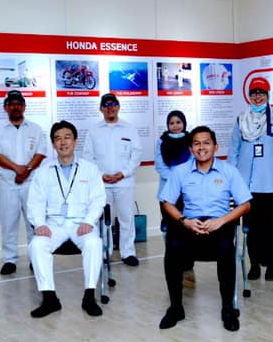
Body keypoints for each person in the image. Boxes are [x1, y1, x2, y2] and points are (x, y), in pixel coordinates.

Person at [159, 126, 252, 332]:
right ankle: (176, 308)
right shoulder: (180, 171)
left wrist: (221, 221)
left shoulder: (229, 171)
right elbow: (167, 202)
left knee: (226, 249)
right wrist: (184, 221)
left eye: (206, 143)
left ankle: (228, 309)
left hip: (219, 225)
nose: (202, 148)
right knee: (172, 249)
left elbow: (245, 204)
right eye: (197, 144)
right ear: (191, 149)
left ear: (215, 147)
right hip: (190, 224)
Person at [26, 121, 107, 318]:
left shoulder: (90, 169)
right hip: (54, 225)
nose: (63, 142)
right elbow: (35, 202)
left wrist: (89, 221)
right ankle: (49, 299)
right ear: (53, 144)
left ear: (75, 141)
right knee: (37, 245)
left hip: (82, 224)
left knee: (94, 244)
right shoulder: (43, 171)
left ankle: (89, 297)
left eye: (67, 137)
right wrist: (40, 224)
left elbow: (98, 200)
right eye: (58, 139)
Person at [228, 76, 273, 281]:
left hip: (270, 184)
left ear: (267, 95)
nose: (257, 97)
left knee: (270, 229)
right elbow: (233, 150)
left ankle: (271, 265)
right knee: (251, 228)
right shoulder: (241, 120)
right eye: (254, 93)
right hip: (246, 185)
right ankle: (254, 264)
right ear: (249, 95)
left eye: (261, 93)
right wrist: (231, 180)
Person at [0, 90, 47, 275]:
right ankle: (10, 259)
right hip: (8, 183)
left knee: (33, 221)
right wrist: (17, 169)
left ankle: (34, 258)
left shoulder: (35, 129)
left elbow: (40, 154)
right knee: (8, 223)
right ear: (5, 107)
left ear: (24, 106)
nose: (15, 107)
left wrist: (26, 171)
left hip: (30, 183)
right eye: (12, 104)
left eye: (19, 103)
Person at [82, 93, 142, 266]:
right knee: (103, 220)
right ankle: (105, 252)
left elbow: (136, 154)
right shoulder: (94, 131)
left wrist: (123, 173)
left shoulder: (129, 129)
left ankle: (128, 253)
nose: (110, 108)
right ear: (101, 109)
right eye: (106, 105)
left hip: (124, 182)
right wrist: (101, 174)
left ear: (118, 106)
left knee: (126, 218)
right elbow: (87, 156)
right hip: (102, 183)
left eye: (113, 104)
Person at [154, 110, 194, 288]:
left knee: (188, 230)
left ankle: (188, 267)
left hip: (188, 191)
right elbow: (159, 165)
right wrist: (175, 179)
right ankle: (174, 267)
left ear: (183, 123)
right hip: (168, 192)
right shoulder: (161, 141)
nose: (175, 126)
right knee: (172, 231)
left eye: (178, 122)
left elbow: (194, 161)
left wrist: (182, 180)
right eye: (172, 123)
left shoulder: (191, 139)